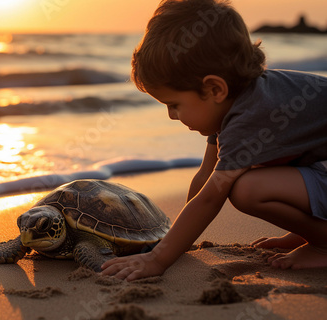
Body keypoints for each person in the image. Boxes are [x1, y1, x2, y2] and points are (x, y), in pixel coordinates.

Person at [101, 0, 327, 281]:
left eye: (174, 104)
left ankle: (323, 243)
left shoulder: (250, 117)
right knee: (248, 174)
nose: (172, 116)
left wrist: (158, 259)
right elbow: (204, 178)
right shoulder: (236, 103)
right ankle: (315, 232)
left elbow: (211, 197)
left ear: (214, 88)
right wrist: (170, 240)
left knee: (246, 189)